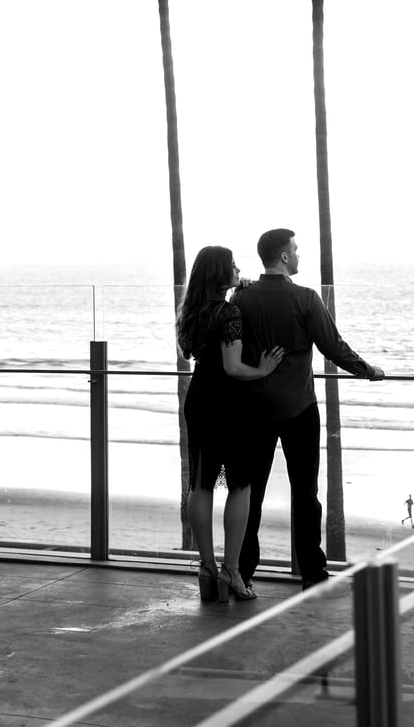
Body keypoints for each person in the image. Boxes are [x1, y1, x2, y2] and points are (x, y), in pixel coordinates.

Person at [232, 229, 385, 591]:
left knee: (251, 493)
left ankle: (243, 572)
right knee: (305, 493)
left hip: (255, 410)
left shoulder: (242, 299)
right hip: (299, 409)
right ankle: (312, 574)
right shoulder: (306, 298)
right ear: (284, 257)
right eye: (296, 250)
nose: (299, 255)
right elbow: (333, 347)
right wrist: (367, 370)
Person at [177, 245, 284, 603]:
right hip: (229, 403)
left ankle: (207, 568)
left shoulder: (191, 311)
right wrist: (263, 370)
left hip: (199, 399)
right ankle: (232, 571)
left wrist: (238, 289)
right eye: (234, 266)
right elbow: (233, 367)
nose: (239, 269)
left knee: (202, 483)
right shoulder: (229, 313)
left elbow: (192, 354)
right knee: (240, 485)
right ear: (220, 272)